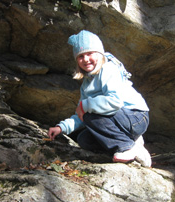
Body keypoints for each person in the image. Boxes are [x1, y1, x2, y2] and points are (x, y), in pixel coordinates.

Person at [48, 30, 152, 167]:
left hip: (136, 117)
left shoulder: (108, 69)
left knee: (90, 115)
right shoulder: (86, 84)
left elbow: (114, 102)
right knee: (84, 139)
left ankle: (129, 147)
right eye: (80, 56)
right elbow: (81, 114)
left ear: (99, 53)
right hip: (121, 120)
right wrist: (61, 128)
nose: (85, 59)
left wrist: (85, 106)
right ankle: (130, 142)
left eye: (90, 53)